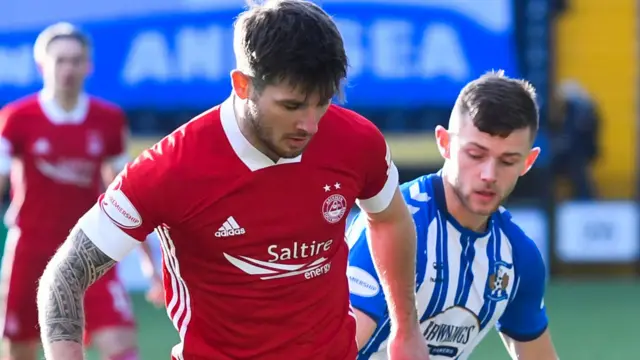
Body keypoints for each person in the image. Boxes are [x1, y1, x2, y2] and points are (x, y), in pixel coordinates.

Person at [35, 2, 429, 360]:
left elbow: (390, 219)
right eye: (292, 106)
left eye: (322, 102)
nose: (310, 124)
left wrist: (406, 329)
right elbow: (66, 274)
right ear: (243, 84)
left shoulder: (356, 140)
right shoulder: (172, 167)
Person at [347, 71, 559, 360]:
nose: (489, 175)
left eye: (507, 161)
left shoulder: (519, 257)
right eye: (475, 154)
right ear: (444, 143)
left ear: (528, 162)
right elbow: (336, 347)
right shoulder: (394, 225)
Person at [0, 23, 163, 360]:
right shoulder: (16, 119)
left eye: (76, 60)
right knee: (18, 350)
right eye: (60, 60)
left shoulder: (108, 120)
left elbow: (127, 195)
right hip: (30, 248)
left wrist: (151, 266)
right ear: (42, 65)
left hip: (90, 248)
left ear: (88, 65)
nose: (68, 68)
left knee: (121, 343)